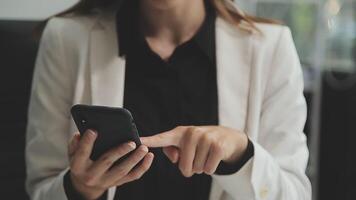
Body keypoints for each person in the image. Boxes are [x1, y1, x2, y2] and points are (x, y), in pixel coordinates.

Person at [25, 0, 312, 199]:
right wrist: (81, 189)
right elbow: (40, 188)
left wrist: (241, 154)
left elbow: (293, 195)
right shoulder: (65, 39)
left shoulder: (270, 47)